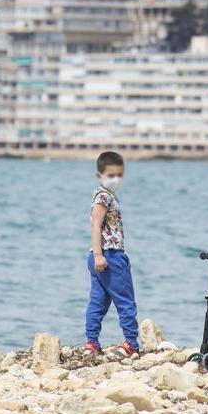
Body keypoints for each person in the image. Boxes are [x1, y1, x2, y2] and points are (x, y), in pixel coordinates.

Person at [84, 151, 140, 357]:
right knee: (125, 300)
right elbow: (95, 224)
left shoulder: (105, 195)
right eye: (110, 175)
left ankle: (92, 342)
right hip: (110, 255)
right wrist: (99, 254)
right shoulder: (104, 196)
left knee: (98, 300)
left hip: (101, 256)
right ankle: (131, 342)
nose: (115, 180)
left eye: (119, 175)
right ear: (99, 175)